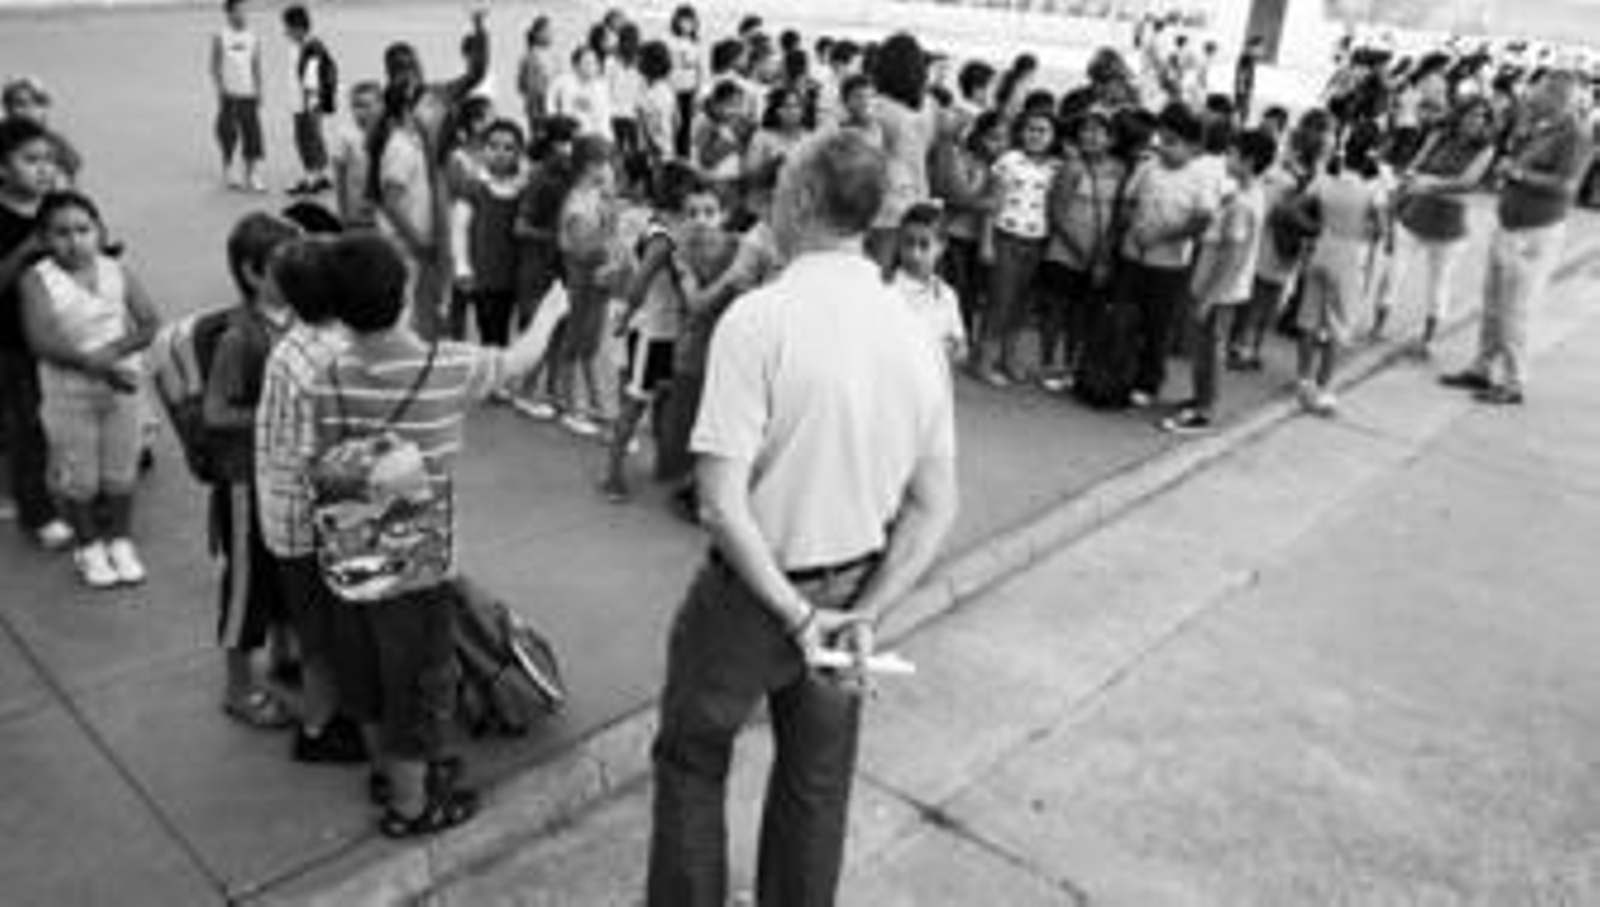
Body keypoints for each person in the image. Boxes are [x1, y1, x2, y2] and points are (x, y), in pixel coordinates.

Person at [645, 128, 959, 907]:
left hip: (753, 593)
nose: (772, 199)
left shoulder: (759, 317)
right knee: (816, 786)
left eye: (782, 184)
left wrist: (795, 614)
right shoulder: (915, 332)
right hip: (852, 581)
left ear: (808, 200)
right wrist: (865, 611)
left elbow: (720, 501)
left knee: (692, 759)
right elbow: (934, 505)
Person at [307, 231, 557, 837]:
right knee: (420, 683)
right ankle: (413, 808)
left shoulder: (329, 376)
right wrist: (551, 310)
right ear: (407, 290)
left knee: (363, 674)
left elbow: (326, 456)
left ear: (337, 309)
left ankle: (386, 772)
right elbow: (519, 362)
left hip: (350, 556)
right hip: (419, 564)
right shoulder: (446, 365)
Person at [251, 235, 367, 764]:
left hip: (280, 512)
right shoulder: (334, 355)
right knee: (324, 634)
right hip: (311, 520)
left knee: (309, 624)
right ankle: (321, 728)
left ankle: (323, 711)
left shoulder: (292, 342)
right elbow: (332, 455)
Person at [19, 191, 160, 586]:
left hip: (123, 391)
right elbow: (41, 340)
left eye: (83, 229)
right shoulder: (37, 280)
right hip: (68, 397)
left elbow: (149, 322)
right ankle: (88, 546)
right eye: (61, 233)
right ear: (44, 239)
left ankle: (120, 540)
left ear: (99, 231)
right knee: (79, 476)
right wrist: (95, 364)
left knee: (121, 469)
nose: (74, 240)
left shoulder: (117, 271)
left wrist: (114, 352)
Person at [1442, 70, 1593, 405]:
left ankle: (1513, 381)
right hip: (1510, 225)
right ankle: (1482, 367)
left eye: (1538, 92)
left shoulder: (1575, 135)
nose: (1530, 96)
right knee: (1493, 303)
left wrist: (1519, 173)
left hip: (1535, 232)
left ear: (1557, 96)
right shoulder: (1538, 126)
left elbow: (1567, 185)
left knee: (1516, 309)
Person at [205, 211, 302, 730]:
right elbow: (215, 412)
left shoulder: (299, 322)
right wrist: (276, 412)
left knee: (287, 569)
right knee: (246, 586)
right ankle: (238, 688)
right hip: (245, 482)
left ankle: (286, 654)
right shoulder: (239, 336)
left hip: (283, 477)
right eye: (287, 267)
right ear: (251, 272)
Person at [1161, 128, 1274, 434]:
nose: (1227, 157)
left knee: (1210, 349)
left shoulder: (1242, 203)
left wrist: (1209, 298)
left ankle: (1205, 410)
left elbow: (1233, 257)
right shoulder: (1246, 193)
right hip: (1218, 286)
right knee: (1205, 347)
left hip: (1219, 290)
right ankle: (1200, 398)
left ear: (1249, 161)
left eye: (1234, 154)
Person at [0, 117, 73, 547]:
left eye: (49, 159)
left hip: (59, 334)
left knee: (57, 416)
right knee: (27, 425)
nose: (44, 169)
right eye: (31, 160)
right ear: (3, 168)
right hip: (11, 343)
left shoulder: (59, 205)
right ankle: (37, 511)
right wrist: (26, 250)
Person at [1377, 97, 1497, 356]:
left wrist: (1428, 183)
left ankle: (1428, 341)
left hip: (1449, 227)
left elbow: (1467, 182)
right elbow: (1414, 166)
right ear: (1460, 115)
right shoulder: (1439, 136)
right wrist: (1405, 183)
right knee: (1392, 275)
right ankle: (1376, 329)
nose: (1476, 121)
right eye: (1472, 114)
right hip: (1414, 215)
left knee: (1439, 285)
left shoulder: (1485, 149)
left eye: (1483, 117)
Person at [1118, 102, 1215, 407]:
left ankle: (1148, 382)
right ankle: (1118, 371)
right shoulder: (1148, 166)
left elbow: (1201, 220)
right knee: (1125, 317)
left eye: (1172, 143)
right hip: (1133, 255)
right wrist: (1132, 224)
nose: (1164, 148)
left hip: (1169, 264)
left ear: (1193, 147)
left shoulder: (1200, 177)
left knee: (1157, 325)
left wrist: (1163, 234)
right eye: (1161, 140)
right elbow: (1129, 200)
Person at [1294, 133, 1385, 417]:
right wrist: (1365, 230)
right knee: (1338, 325)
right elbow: (1380, 230)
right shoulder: (1372, 190)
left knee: (1309, 318)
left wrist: (1314, 227)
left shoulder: (1324, 180)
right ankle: (1324, 388)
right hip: (1348, 257)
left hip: (1321, 248)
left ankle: (1303, 380)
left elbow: (1296, 208)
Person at [1041, 107, 1126, 391]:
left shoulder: (1119, 170)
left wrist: (1102, 255)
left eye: (1098, 131)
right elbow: (1056, 214)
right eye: (1085, 131)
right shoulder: (1072, 167)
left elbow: (1117, 217)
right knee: (1057, 309)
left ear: (1111, 139)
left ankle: (1070, 366)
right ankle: (1047, 364)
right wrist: (1081, 252)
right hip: (1064, 252)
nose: (1090, 136)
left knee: (1081, 313)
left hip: (1098, 255)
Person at [976, 107, 1059, 386]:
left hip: (1036, 243)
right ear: (1022, 132)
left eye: (1043, 130)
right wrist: (986, 243)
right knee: (1000, 301)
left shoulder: (1054, 168)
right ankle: (984, 363)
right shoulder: (1008, 160)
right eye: (1031, 129)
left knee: (1021, 306)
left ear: (1053, 136)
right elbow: (992, 205)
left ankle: (1008, 359)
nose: (1036, 135)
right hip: (1005, 238)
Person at [450, 119, 527, 348]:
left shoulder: (522, 189)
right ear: (482, 150)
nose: (500, 153)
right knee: (490, 335)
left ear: (518, 153)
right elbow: (459, 229)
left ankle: (501, 378)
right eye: (493, 146)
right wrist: (462, 266)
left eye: (508, 148)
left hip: (515, 276)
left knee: (508, 333)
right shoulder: (473, 187)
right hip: (484, 278)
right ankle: (491, 380)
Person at [891, 201, 966, 364]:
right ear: (899, 242)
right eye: (908, 243)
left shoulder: (947, 295)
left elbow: (960, 348)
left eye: (924, 245)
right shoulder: (887, 288)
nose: (915, 254)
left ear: (941, 247)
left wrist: (955, 349)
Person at [211, 0, 266, 193]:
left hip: (248, 94)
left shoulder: (253, 37)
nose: (243, 14)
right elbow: (215, 66)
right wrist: (219, 89)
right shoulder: (220, 37)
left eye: (245, 10)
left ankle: (253, 175)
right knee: (227, 134)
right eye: (238, 10)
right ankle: (229, 170)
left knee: (253, 136)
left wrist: (259, 90)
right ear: (229, 13)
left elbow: (256, 66)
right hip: (229, 95)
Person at [282, 4, 337, 197]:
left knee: (305, 139)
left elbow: (312, 80)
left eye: (287, 27)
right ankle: (320, 175)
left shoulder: (311, 48)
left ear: (298, 27)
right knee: (313, 137)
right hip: (300, 101)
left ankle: (311, 178)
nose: (285, 31)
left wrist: (312, 106)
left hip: (307, 103)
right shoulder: (298, 46)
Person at [1, 76, 83, 189]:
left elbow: (71, 178)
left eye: (37, 103)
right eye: (21, 104)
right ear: (8, 108)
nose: (29, 109)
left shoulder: (56, 142)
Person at [331, 81, 382, 230]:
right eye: (355, 106)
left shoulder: (388, 134)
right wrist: (343, 214)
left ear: (381, 105)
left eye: (366, 105)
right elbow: (339, 179)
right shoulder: (345, 136)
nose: (360, 111)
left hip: (383, 215)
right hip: (356, 216)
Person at [667, 4, 705, 159]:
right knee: (673, 127)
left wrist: (698, 92)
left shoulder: (696, 43)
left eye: (690, 21)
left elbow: (700, 70)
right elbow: (667, 69)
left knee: (686, 130)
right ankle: (673, 160)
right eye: (683, 21)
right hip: (673, 91)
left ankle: (684, 162)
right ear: (676, 22)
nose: (687, 25)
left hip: (689, 91)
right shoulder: (670, 42)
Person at [516, 17, 555, 137]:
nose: (551, 35)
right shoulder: (531, 56)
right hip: (540, 108)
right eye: (548, 31)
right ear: (537, 34)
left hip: (549, 105)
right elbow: (524, 86)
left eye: (552, 31)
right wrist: (537, 109)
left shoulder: (548, 55)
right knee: (541, 138)